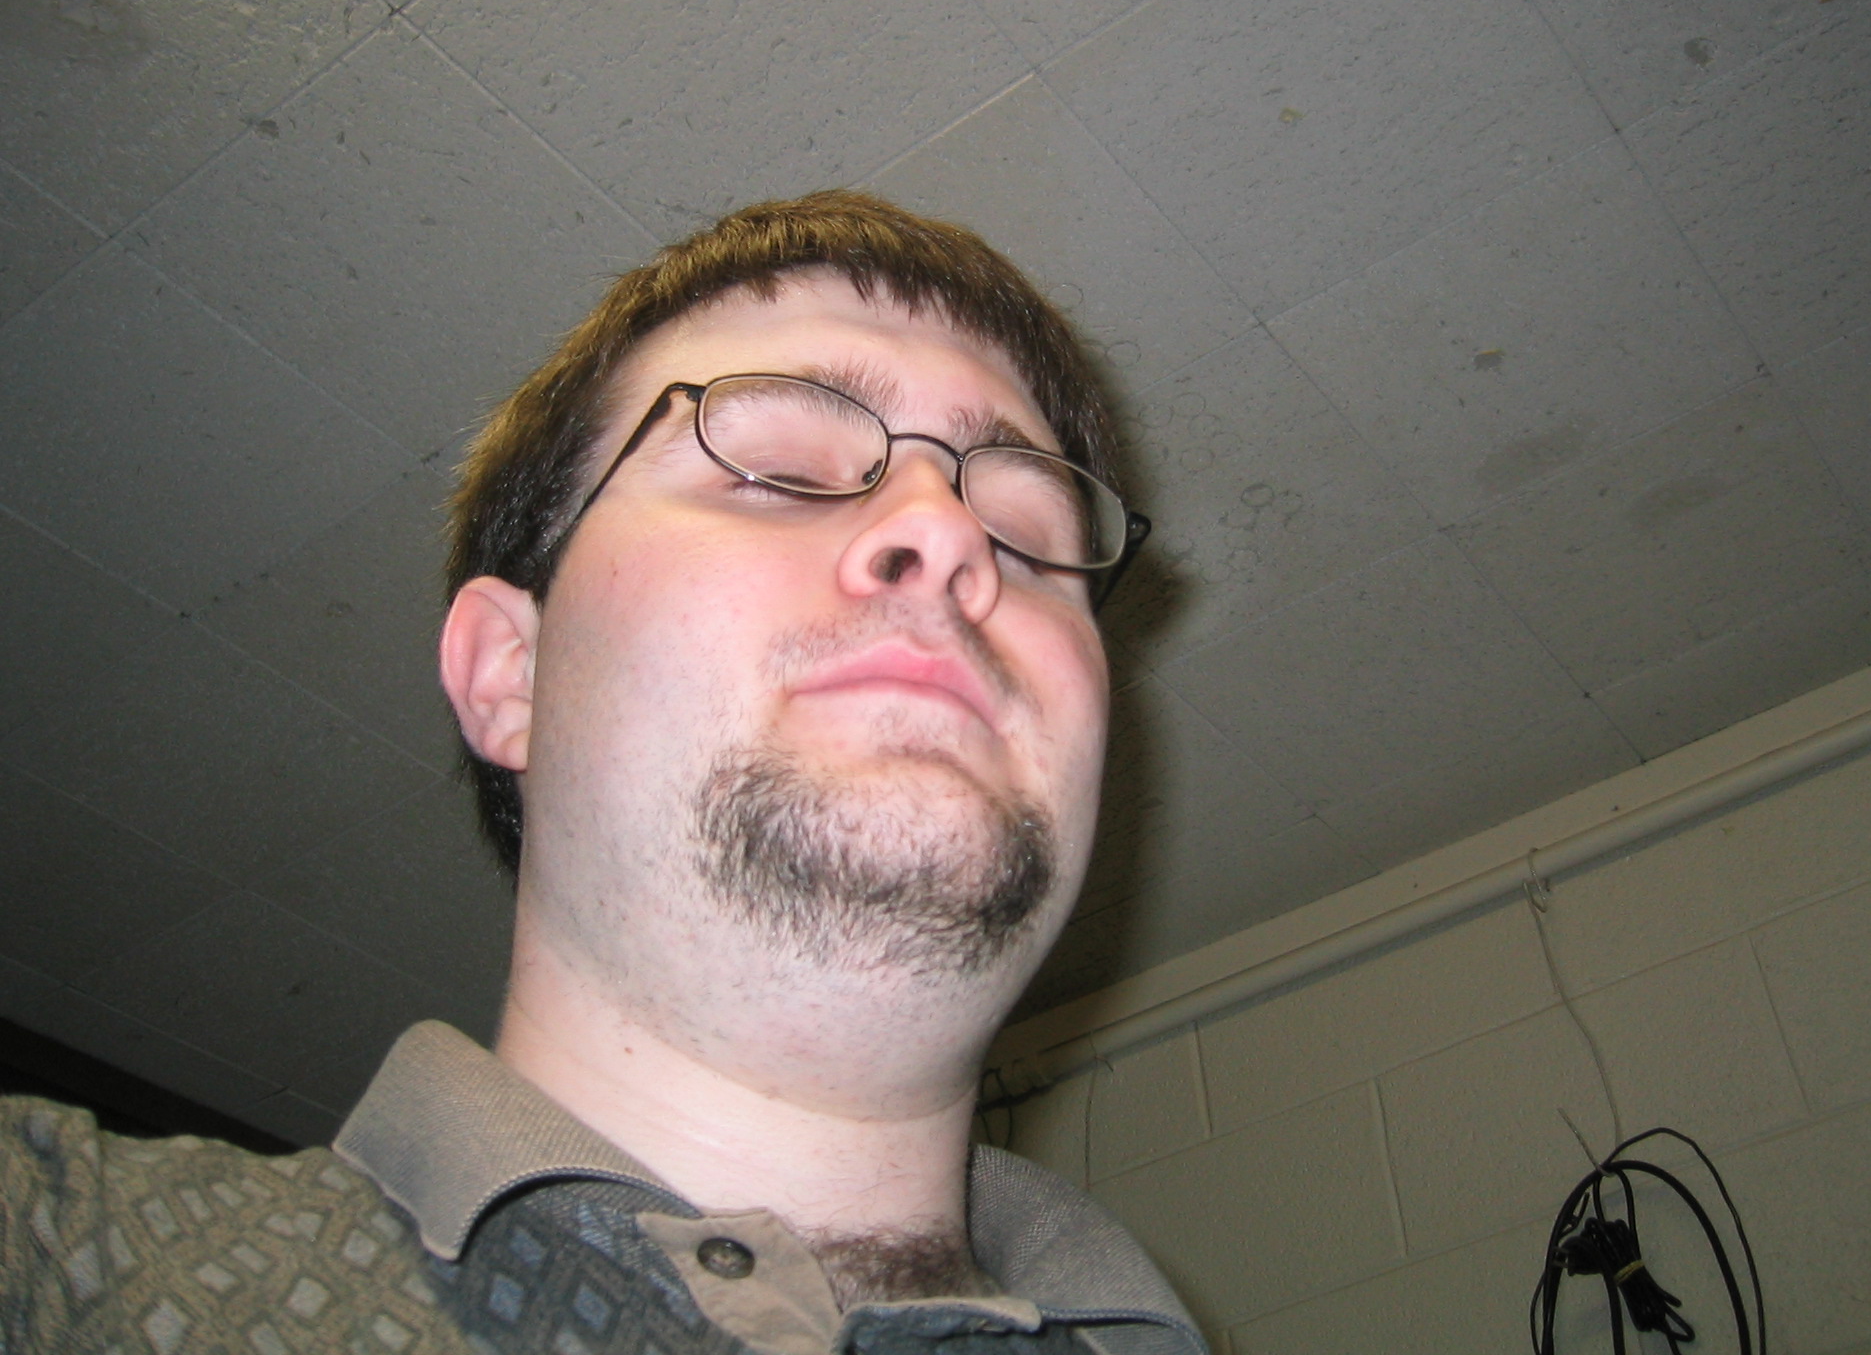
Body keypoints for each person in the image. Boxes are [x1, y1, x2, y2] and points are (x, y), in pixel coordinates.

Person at [0, 192, 1200, 1355]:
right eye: (780, 467)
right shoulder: (54, 1252)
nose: (945, 532)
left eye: (1027, 536)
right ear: (510, 674)